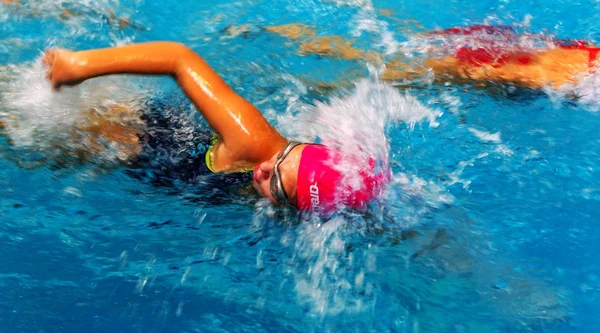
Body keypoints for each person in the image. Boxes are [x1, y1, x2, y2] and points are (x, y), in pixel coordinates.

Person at [43, 42, 387, 214]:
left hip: (168, 167)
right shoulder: (253, 142)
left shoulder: (293, 210)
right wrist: (80, 65)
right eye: (283, 159)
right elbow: (179, 58)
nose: (263, 171)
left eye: (278, 189)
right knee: (28, 134)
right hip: (141, 138)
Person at [265, 23, 600, 90]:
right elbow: (528, 73)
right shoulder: (579, 74)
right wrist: (465, 77)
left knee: (380, 51)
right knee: (396, 78)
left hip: (494, 41)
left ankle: (295, 35)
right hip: (486, 63)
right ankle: (314, 88)